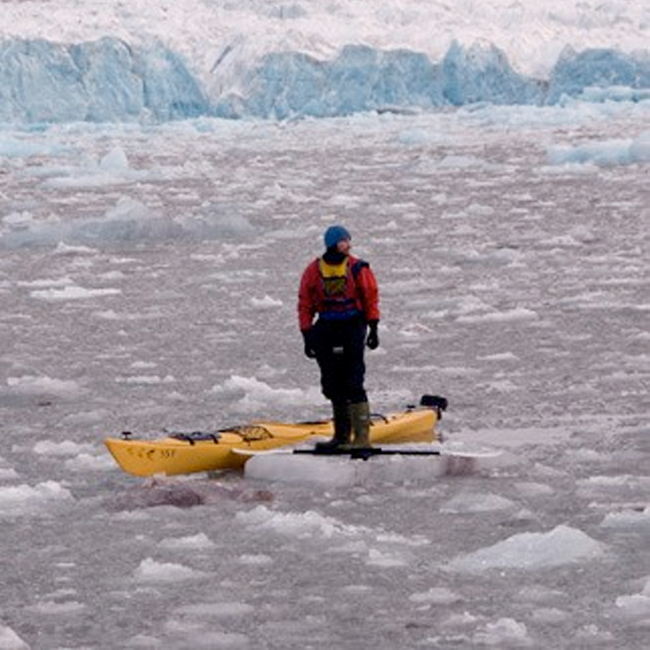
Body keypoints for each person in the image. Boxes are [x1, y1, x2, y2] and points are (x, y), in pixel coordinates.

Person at [298, 225, 380, 450]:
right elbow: (305, 303)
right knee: (333, 384)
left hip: (352, 327)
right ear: (334, 243)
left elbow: (370, 296)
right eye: (345, 240)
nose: (349, 244)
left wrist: (373, 327)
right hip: (327, 328)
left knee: (353, 382)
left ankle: (361, 439)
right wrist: (307, 334)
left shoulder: (357, 268)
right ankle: (341, 437)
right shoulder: (314, 270)